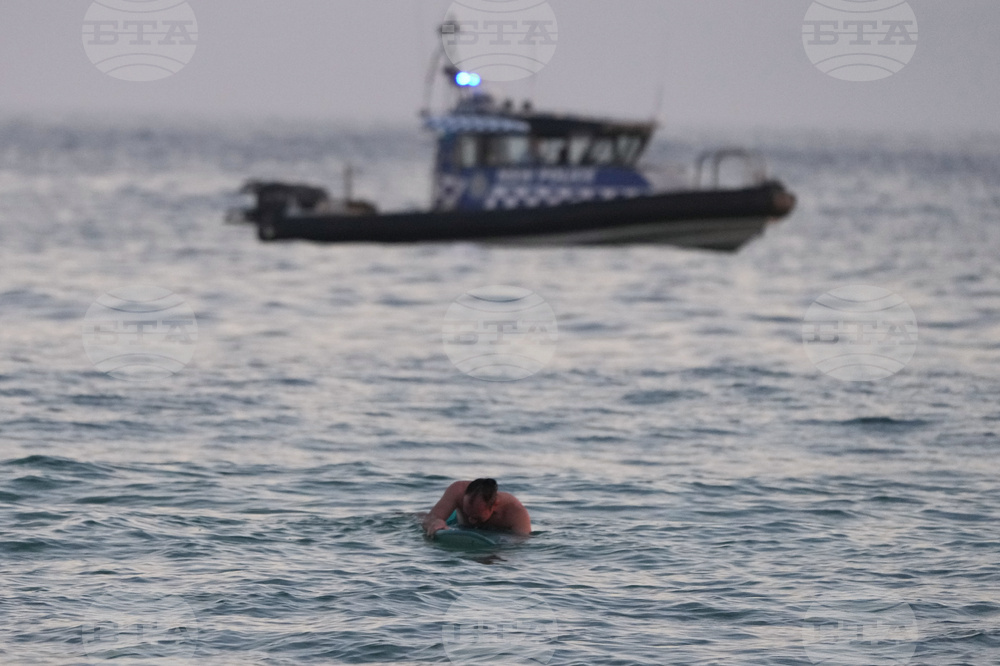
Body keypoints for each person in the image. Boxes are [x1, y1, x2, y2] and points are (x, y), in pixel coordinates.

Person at [422, 478, 531, 537]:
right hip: (457, 523)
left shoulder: (516, 513)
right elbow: (429, 519)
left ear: (494, 505)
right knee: (418, 517)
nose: (470, 520)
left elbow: (520, 545)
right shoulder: (457, 491)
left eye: (476, 517)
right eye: (467, 513)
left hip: (497, 534)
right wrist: (435, 522)